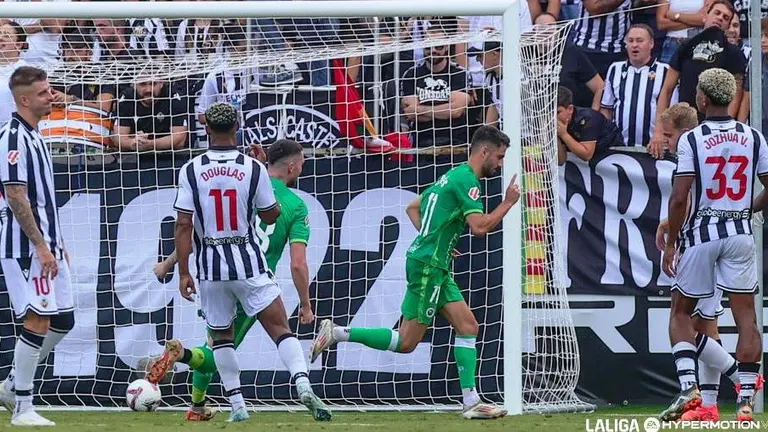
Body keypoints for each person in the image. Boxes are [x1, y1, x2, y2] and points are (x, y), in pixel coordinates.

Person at [310, 126, 519, 419]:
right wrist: (508, 202)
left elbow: (412, 208)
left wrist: (437, 239)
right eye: (498, 157)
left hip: (435, 264)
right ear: (484, 152)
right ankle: (338, 333)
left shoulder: (451, 175)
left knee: (469, 326)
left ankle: (471, 401)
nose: (499, 164)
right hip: (428, 268)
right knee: (407, 342)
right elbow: (480, 227)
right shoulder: (468, 182)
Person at [151, 138, 331, 422]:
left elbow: (195, 227)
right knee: (261, 337)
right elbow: (298, 263)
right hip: (252, 275)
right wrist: (306, 304)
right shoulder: (295, 205)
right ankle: (184, 355)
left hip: (215, 272)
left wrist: (170, 264)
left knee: (218, 344)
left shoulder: (241, 179)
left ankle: (199, 407)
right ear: (294, 166)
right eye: (303, 164)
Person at [660, 68, 768, 422]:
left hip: (702, 234)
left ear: (702, 99)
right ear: (732, 97)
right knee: (746, 317)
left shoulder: (692, 139)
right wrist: (746, 208)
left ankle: (689, 387)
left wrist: (672, 242)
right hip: (739, 233)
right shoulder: (753, 137)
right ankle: (746, 401)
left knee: (680, 313)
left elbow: (679, 197)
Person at [655, 103, 746, 422]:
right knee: (706, 325)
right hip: (717, 243)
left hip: (700, 245)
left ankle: (740, 378)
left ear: (683, 132)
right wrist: (668, 223)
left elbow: (690, 198)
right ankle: (709, 406)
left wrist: (671, 231)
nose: (664, 141)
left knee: (686, 322)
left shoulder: (693, 149)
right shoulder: (708, 148)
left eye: (668, 135)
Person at [0, 66, 73, 427]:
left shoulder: (36, 135)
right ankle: (22, 407)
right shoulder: (12, 137)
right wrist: (42, 246)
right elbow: (15, 195)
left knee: (65, 319)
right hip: (26, 247)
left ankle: (12, 385)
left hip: (46, 246)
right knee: (39, 317)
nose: (52, 95)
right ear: (25, 99)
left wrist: (57, 244)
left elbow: (43, 200)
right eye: (44, 92)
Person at [650, 0, 747, 157]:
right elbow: (666, 90)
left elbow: (736, 96)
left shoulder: (733, 53)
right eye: (717, 13)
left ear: (728, 25)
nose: (721, 18)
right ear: (706, 14)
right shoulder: (686, 46)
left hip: (714, 130)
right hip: (684, 126)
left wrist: (723, 130)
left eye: (726, 17)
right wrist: (659, 131)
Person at [557, 86, 623, 164]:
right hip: (595, 162)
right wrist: (556, 136)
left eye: (558, 112)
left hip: (615, 155)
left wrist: (564, 135)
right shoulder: (560, 126)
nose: (554, 117)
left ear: (570, 109)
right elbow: (561, 161)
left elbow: (586, 155)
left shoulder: (588, 118)